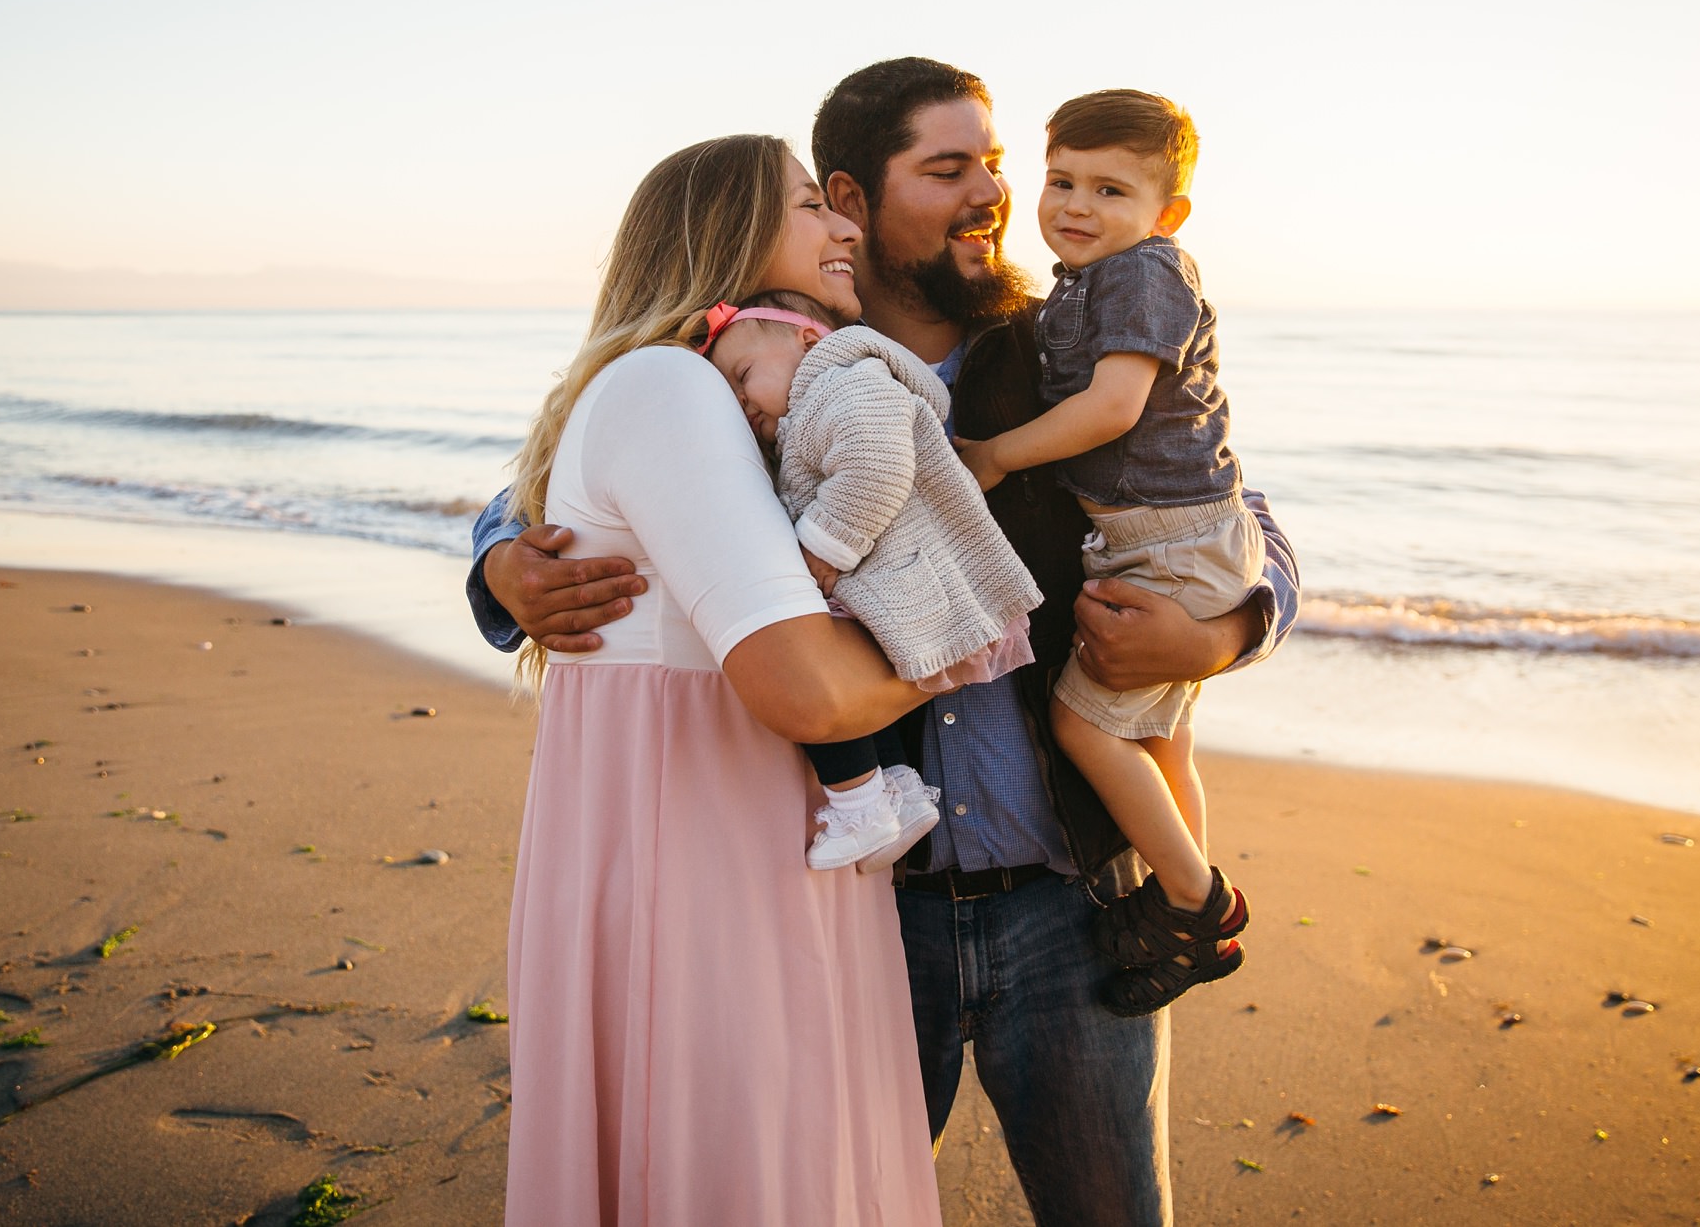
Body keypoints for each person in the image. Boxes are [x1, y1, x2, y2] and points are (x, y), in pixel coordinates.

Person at [471, 60, 1300, 1227]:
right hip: (863, 908)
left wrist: (1221, 630)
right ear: (851, 201)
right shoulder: (761, 366)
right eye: (950, 170)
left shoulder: (1063, 353)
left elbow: (1231, 511)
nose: (995, 196)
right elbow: (598, 459)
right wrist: (503, 556)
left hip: (1067, 906)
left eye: (998, 166)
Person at [494, 133, 942, 1227]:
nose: (844, 229)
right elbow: (807, 693)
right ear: (723, 235)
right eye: (807, 206)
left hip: (730, 845)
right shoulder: (672, 388)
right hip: (710, 867)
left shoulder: (703, 384)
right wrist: (960, 646)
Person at [954, 89, 1259, 1017]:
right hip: (1167, 534)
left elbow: (1117, 406)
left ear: (1167, 214)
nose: (1076, 205)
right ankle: (1180, 907)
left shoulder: (1145, 273)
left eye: (1110, 190)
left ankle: (1197, 905)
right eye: (1061, 181)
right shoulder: (1090, 281)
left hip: (1168, 537)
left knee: (1087, 724)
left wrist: (998, 454)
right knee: (1164, 735)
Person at [701, 290, 1043, 872]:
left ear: (807, 340)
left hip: (909, 579)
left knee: (804, 662)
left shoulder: (843, 380)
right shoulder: (814, 400)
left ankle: (860, 805)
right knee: (836, 677)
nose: (739, 400)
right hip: (895, 578)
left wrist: (819, 549)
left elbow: (876, 462)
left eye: (743, 375)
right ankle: (896, 791)